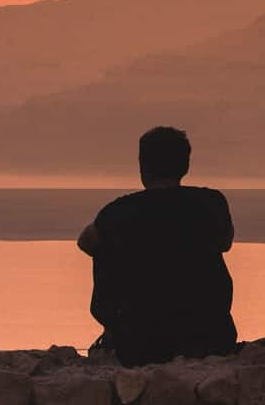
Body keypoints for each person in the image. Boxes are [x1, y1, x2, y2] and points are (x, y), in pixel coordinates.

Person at [78, 126, 238, 366]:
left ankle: (116, 325)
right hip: (211, 336)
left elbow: (86, 242)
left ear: (143, 166)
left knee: (104, 245)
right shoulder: (211, 203)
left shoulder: (120, 211)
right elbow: (225, 242)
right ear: (185, 166)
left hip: (138, 342)